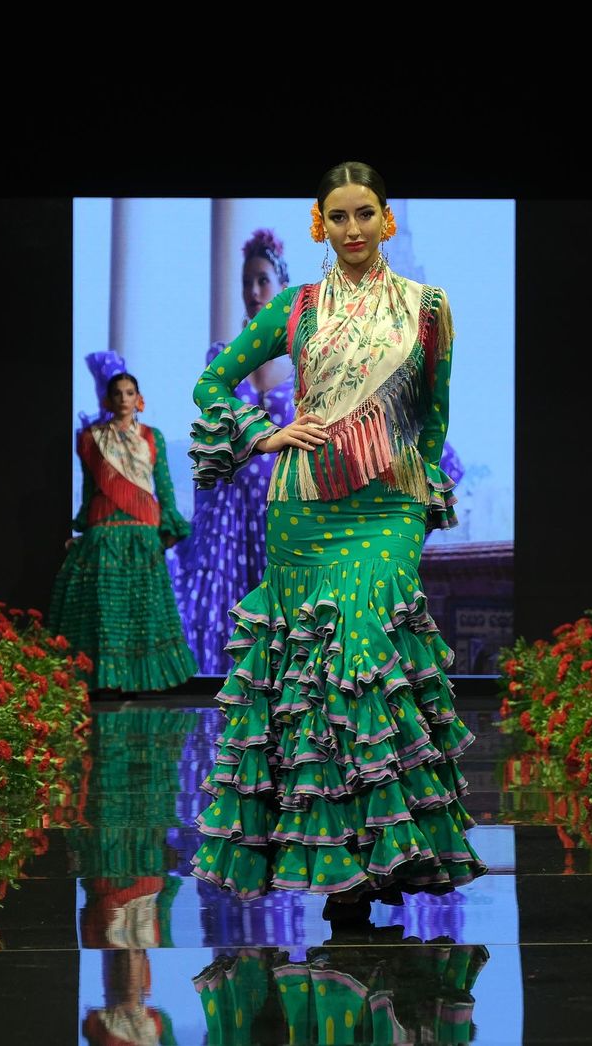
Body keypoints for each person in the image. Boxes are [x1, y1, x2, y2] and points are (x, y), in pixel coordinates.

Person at [186, 162, 482, 913]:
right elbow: (212, 382)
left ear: (387, 219)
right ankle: (356, 861)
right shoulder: (295, 307)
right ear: (321, 224)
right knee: (320, 670)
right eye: (338, 216)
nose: (353, 228)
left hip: (388, 507)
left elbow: (436, 413)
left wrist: (420, 495)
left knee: (359, 647)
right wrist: (265, 432)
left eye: (365, 213)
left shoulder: (426, 307)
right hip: (304, 507)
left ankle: (387, 846)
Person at [173, 229, 298, 672]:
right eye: (247, 282)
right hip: (229, 518)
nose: (253, 292)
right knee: (228, 627)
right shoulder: (223, 357)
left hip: (282, 513)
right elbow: (208, 435)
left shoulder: (305, 364)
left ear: (283, 287)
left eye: (262, 280)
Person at [50, 371, 196, 693]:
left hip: (143, 530)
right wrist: (83, 529)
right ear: (109, 399)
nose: (124, 399)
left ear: (138, 398)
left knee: (143, 608)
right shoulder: (92, 438)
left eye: (130, 393)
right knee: (104, 608)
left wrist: (171, 527)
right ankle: (104, 679)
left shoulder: (152, 437)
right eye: (118, 393)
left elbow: (165, 486)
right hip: (104, 529)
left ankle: (141, 681)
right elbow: (90, 488)